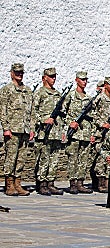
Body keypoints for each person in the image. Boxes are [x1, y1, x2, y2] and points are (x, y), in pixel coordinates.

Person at [0, 63, 33, 196]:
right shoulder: (7, 89)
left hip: (24, 130)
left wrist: (31, 128)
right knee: (11, 158)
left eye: (21, 73)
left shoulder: (27, 90)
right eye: (17, 72)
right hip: (12, 129)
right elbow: (2, 110)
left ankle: (18, 184)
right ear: (11, 73)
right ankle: (9, 185)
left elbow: (31, 111)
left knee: (21, 159)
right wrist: (6, 128)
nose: (19, 75)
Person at [31, 67, 64, 195]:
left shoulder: (58, 94)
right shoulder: (40, 93)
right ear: (44, 78)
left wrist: (62, 129)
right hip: (44, 131)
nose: (53, 79)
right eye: (51, 76)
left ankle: (51, 182)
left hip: (55, 131)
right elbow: (33, 111)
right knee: (43, 158)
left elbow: (62, 113)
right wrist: (44, 120)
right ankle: (42, 183)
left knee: (54, 158)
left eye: (55, 76)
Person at [63, 71, 95, 194]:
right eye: (82, 80)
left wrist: (92, 133)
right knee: (73, 158)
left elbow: (93, 117)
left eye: (86, 80)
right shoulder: (70, 96)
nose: (84, 82)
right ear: (76, 80)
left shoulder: (89, 99)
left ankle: (80, 182)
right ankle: (72, 183)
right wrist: (69, 124)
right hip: (74, 133)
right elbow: (62, 112)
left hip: (86, 133)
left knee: (84, 159)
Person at [91, 77, 110, 193]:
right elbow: (92, 113)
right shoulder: (99, 98)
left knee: (108, 157)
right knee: (100, 158)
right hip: (100, 132)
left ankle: (106, 181)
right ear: (105, 85)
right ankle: (100, 182)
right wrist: (102, 124)